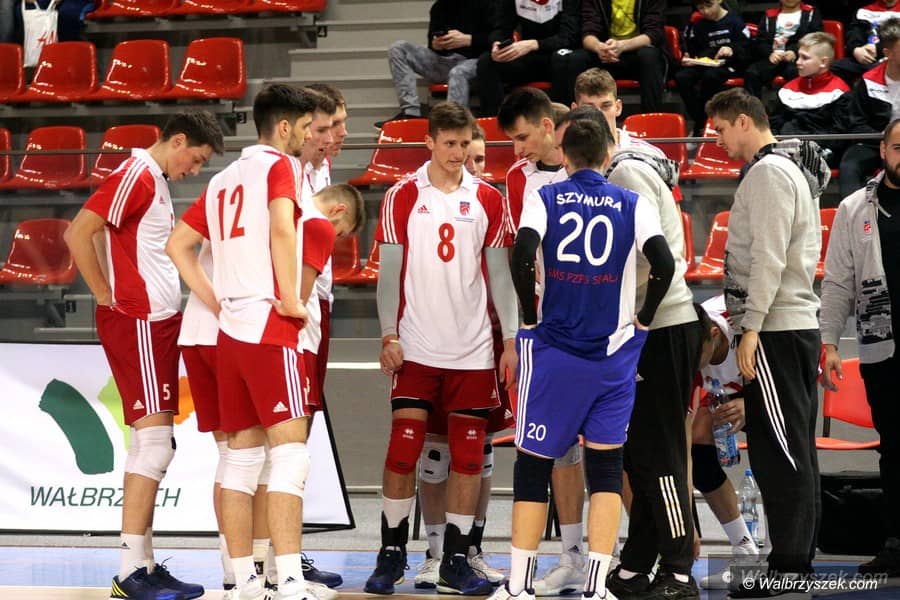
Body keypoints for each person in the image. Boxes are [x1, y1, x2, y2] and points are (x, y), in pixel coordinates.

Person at [488, 117, 675, 600]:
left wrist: (529, 317)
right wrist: (644, 320)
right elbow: (665, 262)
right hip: (613, 356)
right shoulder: (631, 202)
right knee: (607, 470)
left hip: (555, 353)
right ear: (608, 156)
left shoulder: (546, 196)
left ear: (565, 157)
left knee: (533, 466)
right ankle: (596, 586)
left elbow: (522, 252)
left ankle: (518, 587)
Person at [166, 84, 320, 600]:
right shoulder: (281, 166)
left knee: (239, 460)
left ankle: (243, 583)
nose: (306, 137)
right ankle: (291, 583)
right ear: (285, 127)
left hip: (229, 332)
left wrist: (215, 300)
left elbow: (177, 245)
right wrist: (292, 300)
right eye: (304, 128)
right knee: (290, 457)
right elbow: (282, 229)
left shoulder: (222, 178)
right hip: (268, 326)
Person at [64, 111, 224, 600]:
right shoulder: (136, 174)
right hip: (139, 322)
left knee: (149, 444)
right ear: (178, 141)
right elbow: (79, 232)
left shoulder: (151, 178)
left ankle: (142, 564)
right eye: (196, 159)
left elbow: (110, 237)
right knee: (155, 446)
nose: (194, 170)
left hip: (153, 322)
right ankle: (131, 571)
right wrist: (105, 294)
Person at [365, 101, 518, 596]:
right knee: (403, 448)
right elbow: (389, 273)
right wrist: (388, 333)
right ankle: (391, 554)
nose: (457, 152)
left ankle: (454, 559)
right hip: (416, 346)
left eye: (464, 144)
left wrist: (510, 339)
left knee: (470, 458)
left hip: (473, 351)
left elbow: (501, 277)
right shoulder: (402, 195)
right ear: (429, 142)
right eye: (448, 143)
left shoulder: (489, 198)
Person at [705, 87, 828, 596]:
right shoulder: (784, 168)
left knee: (782, 452)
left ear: (742, 121)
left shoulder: (770, 173)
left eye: (720, 130)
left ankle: (789, 567)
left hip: (776, 327)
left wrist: (751, 326)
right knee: (792, 447)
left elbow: (769, 257)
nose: (717, 141)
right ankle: (794, 562)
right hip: (786, 325)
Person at [497, 88, 591, 597]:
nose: (518, 150)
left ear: (548, 127)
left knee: (615, 449)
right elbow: (521, 259)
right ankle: (571, 556)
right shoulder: (518, 178)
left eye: (522, 138)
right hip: (548, 326)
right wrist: (522, 329)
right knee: (556, 447)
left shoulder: (591, 165)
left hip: (599, 325)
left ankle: (644, 552)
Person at [412, 120, 507, 590]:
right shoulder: (417, 197)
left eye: (478, 156)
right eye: (460, 150)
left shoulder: (490, 200)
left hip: (482, 343)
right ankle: (435, 554)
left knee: (479, 454)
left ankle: (469, 550)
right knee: (434, 453)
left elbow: (504, 277)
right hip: (430, 344)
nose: (470, 162)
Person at [820, 118, 900, 578]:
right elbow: (837, 282)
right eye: (898, 147)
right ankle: (896, 544)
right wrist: (829, 341)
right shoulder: (855, 208)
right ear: (882, 151)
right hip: (881, 349)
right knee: (894, 450)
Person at [689, 297, 760, 591]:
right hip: (724, 391)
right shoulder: (690, 344)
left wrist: (753, 405)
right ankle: (745, 549)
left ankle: (787, 561)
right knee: (697, 448)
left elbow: (793, 380)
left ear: (715, 334)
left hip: (771, 386)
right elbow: (680, 439)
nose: (691, 362)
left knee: (775, 459)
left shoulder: (741, 324)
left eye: (696, 355)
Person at [379, 0, 494, 126]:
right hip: (445, 61)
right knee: (398, 48)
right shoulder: (439, 7)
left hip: (476, 61)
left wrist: (469, 40)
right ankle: (411, 113)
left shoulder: (486, 4)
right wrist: (436, 45)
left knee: (458, 72)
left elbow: (497, 39)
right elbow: (431, 43)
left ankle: (454, 124)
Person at [555, 0, 668, 112]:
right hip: (605, 53)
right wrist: (599, 47)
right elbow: (587, 34)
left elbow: (653, 34)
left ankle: (651, 116)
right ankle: (574, 117)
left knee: (649, 56)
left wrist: (622, 46)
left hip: (636, 52)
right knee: (575, 59)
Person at [474, 0, 581, 116]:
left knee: (565, 59)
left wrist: (534, 44)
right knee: (487, 61)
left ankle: (563, 120)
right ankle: (495, 120)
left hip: (557, 55)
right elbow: (501, 28)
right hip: (527, 56)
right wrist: (497, 44)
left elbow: (569, 36)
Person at [838, 17, 900, 199]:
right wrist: (883, 138)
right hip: (875, 141)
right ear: (888, 53)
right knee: (849, 166)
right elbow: (856, 123)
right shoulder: (869, 81)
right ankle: (852, 212)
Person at [769, 32, 850, 168]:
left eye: (805, 58)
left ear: (823, 62)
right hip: (785, 151)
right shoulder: (788, 90)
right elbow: (774, 125)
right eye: (798, 56)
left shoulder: (840, 92)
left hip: (820, 155)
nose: (798, 62)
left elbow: (839, 135)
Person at [675, 0, 749, 138]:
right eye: (700, 8)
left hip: (730, 65)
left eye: (709, 6)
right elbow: (692, 49)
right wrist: (688, 57)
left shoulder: (735, 21)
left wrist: (731, 49)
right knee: (682, 77)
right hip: (704, 63)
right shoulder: (697, 25)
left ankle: (710, 122)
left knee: (710, 76)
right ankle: (700, 121)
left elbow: (747, 48)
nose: (706, 11)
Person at [743, 0, 822, 98]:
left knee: (799, 73)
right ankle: (754, 106)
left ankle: (799, 106)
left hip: (799, 59)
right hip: (773, 58)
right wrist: (770, 54)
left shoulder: (811, 13)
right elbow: (760, 41)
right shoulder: (769, 15)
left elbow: (816, 39)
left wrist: (796, 51)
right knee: (751, 73)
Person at [831, 0, 900, 85]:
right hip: (862, 56)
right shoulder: (864, 11)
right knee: (833, 68)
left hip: (890, 58)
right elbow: (853, 34)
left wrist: (878, 49)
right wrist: (856, 50)